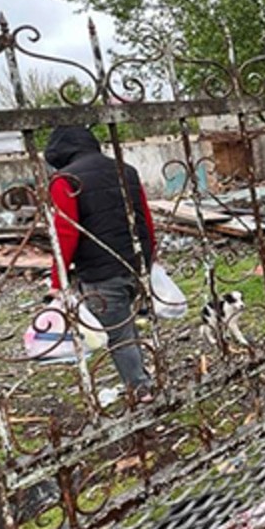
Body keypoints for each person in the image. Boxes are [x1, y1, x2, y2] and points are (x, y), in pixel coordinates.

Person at [44, 125, 158, 402]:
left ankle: (142, 389)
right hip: (135, 264)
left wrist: (58, 281)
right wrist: (150, 255)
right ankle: (146, 375)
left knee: (118, 335)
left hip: (101, 272)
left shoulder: (65, 180)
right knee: (130, 325)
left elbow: (66, 232)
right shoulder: (125, 170)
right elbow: (143, 216)